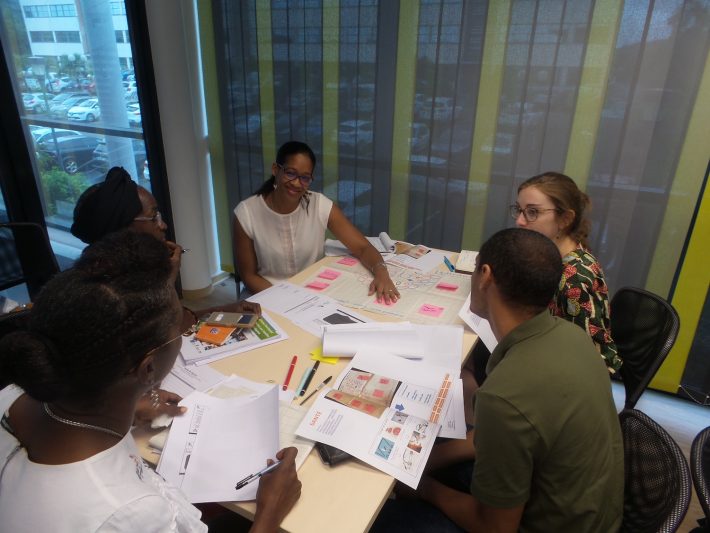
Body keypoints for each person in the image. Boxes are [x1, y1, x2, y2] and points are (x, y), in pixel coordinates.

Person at [0, 230, 301, 532]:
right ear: (148, 369)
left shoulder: (11, 395)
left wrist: (130, 410)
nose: (186, 327)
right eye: (181, 324)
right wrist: (270, 512)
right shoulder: (130, 512)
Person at [372, 228, 624, 532]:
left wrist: (421, 488)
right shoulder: (573, 337)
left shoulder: (503, 396)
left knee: (372, 516)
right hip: (589, 512)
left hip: (534, 523)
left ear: (485, 276)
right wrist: (422, 462)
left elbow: (495, 528)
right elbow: (502, 438)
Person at [71, 166, 261, 423]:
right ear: (124, 230)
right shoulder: (104, 295)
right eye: (153, 216)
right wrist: (168, 282)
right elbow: (88, 381)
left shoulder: (134, 272)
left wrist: (221, 310)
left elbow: (169, 323)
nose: (163, 225)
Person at [233, 141, 400, 302]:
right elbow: (249, 276)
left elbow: (362, 248)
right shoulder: (246, 213)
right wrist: (284, 300)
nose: (297, 183)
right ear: (276, 170)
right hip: (266, 295)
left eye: (305, 178)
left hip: (311, 295)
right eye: (290, 173)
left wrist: (381, 272)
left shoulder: (319, 205)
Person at [512, 171, 621, 373]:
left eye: (532, 212)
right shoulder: (553, 255)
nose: (520, 220)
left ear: (565, 219)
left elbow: (592, 361)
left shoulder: (575, 279)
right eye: (519, 210)